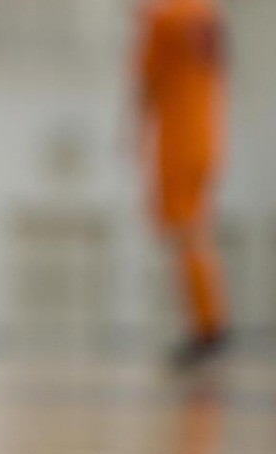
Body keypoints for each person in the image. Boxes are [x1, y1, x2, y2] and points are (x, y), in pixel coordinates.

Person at [136, 0, 227, 367]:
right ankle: (206, 324)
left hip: (178, 140)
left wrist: (135, 132)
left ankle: (207, 327)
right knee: (192, 231)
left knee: (183, 231)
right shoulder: (207, 12)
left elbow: (146, 82)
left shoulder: (164, 17)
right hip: (208, 137)